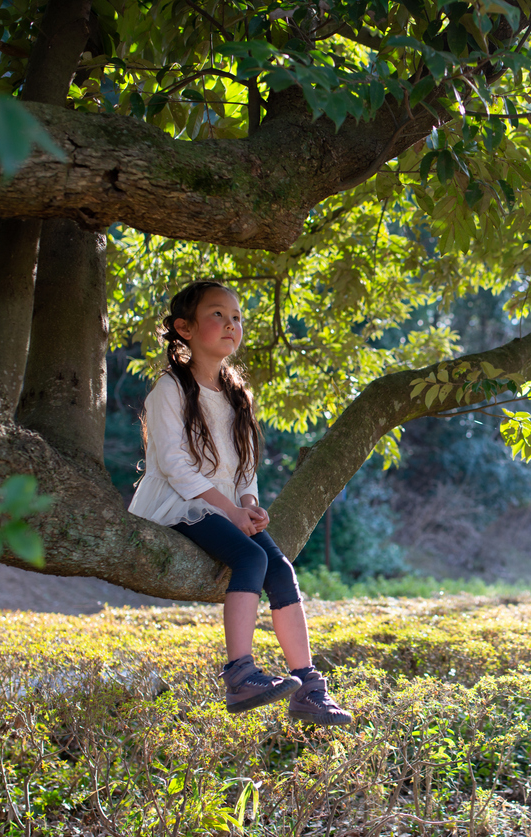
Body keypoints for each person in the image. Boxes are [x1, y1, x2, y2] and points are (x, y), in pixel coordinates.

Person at [129, 280, 351, 724]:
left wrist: (248, 503)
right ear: (184, 329)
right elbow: (175, 466)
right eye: (218, 315)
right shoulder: (169, 391)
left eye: (237, 318)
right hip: (178, 504)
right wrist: (229, 511)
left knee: (280, 568)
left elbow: (244, 468)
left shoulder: (237, 396)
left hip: (224, 506)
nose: (231, 324)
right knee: (250, 558)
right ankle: (239, 675)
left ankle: (307, 686)